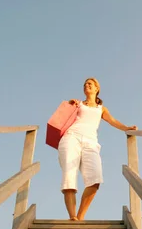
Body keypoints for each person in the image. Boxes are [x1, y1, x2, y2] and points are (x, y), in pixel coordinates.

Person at [58, 77, 137, 221]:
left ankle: (80, 217)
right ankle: (72, 217)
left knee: (95, 179)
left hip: (91, 142)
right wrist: (70, 104)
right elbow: (63, 114)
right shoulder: (78, 104)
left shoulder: (101, 109)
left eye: (90, 84)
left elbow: (112, 121)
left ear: (96, 89)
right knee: (69, 175)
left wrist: (126, 128)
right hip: (71, 137)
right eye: (85, 84)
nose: (86, 85)